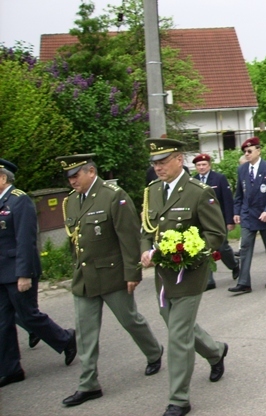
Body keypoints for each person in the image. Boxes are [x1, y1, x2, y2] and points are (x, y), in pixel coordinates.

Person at [56, 154, 163, 407]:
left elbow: (129, 237)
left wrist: (132, 273)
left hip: (113, 275)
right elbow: (75, 242)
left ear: (91, 172)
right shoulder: (71, 201)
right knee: (85, 333)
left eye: (76, 176)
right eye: (69, 178)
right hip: (85, 278)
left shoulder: (113, 195)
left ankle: (153, 351)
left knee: (130, 320)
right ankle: (89, 384)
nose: (72, 182)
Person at [140, 139, 229, 416]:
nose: (158, 167)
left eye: (163, 161)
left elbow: (216, 234)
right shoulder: (153, 191)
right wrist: (145, 250)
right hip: (163, 276)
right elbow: (147, 229)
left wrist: (188, 251)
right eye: (154, 163)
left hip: (189, 274)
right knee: (177, 325)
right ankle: (215, 351)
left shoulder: (198, 192)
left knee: (178, 335)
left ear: (179, 159)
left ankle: (179, 400)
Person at [0, 159, 77, 389]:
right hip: (2, 272)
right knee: (3, 322)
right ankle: (11, 369)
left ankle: (66, 339)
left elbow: (25, 240)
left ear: (3, 178)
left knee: (28, 316)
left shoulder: (19, 200)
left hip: (18, 271)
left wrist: (24, 274)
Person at [229, 137, 266, 293]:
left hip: (265, 214)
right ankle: (244, 282)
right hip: (248, 214)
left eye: (249, 151)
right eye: (245, 152)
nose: (247, 154)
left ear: (258, 150)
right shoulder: (242, 169)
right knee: (245, 247)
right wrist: (236, 211)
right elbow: (239, 193)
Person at [192, 153, 240, 288]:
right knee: (204, 248)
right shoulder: (193, 180)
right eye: (198, 165)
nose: (201, 167)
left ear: (209, 165)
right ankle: (208, 279)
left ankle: (234, 264)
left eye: (204, 164)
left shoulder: (219, 178)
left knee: (222, 247)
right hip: (201, 222)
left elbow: (227, 200)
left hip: (218, 220)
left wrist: (230, 220)